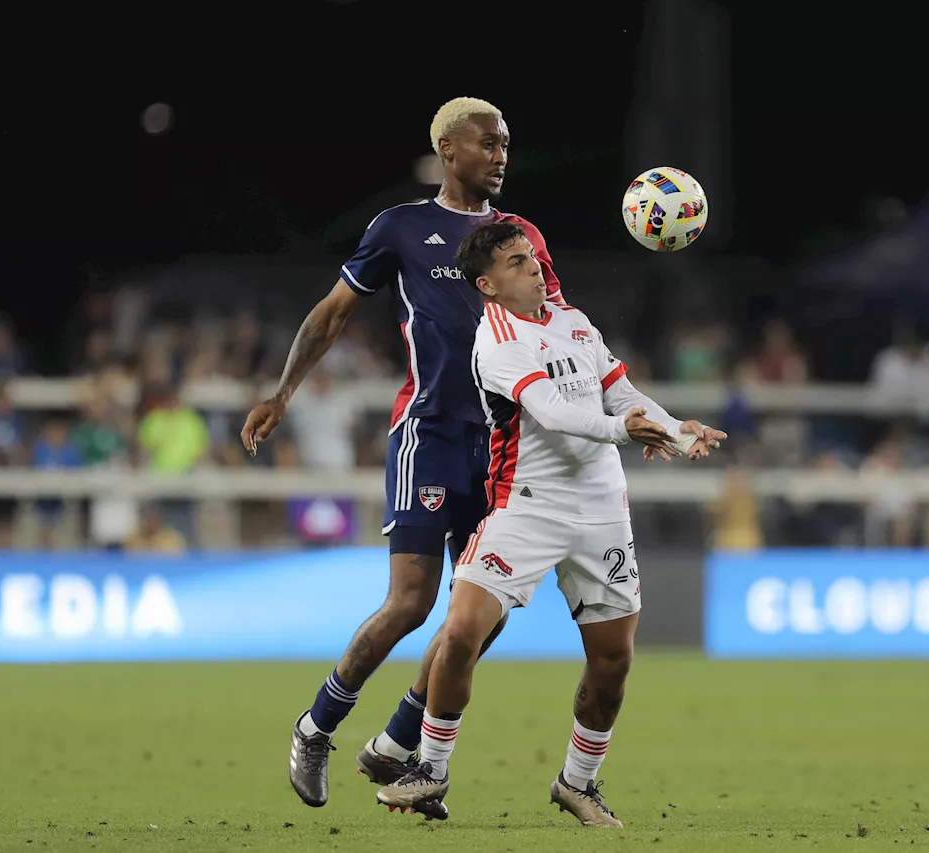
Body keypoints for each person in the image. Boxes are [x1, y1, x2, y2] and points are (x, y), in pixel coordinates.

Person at [240, 97, 567, 817]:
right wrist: (282, 394)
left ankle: (401, 742)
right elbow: (331, 313)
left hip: (503, 447)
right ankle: (317, 727)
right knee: (413, 602)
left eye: (508, 143)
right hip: (429, 435)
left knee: (486, 610)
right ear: (450, 149)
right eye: (489, 143)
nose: (502, 155)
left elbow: (557, 327)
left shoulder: (521, 238)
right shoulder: (402, 228)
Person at [374, 221, 726, 827]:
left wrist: (675, 428)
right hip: (526, 505)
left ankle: (577, 783)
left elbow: (619, 392)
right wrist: (626, 431)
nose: (534, 266)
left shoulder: (575, 322)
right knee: (460, 630)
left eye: (533, 256)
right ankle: (430, 769)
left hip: (602, 511)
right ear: (487, 285)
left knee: (613, 662)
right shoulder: (496, 339)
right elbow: (553, 411)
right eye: (516, 262)